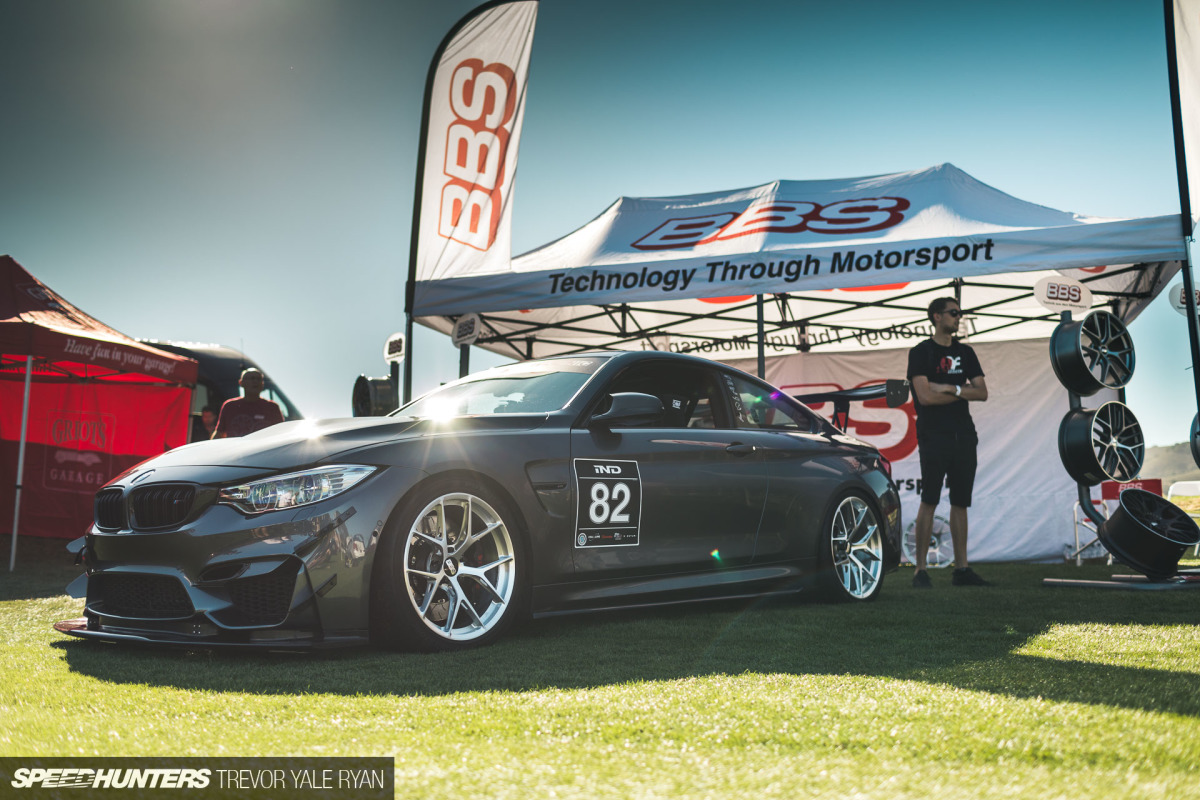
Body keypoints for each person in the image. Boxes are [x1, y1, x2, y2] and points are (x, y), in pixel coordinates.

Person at [907, 297, 990, 588]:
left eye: (959, 313)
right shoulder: (921, 352)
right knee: (929, 499)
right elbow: (925, 397)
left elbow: (982, 393)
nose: (958, 318)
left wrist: (950, 387)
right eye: (954, 313)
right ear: (937, 316)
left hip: (964, 435)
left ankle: (962, 569)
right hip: (933, 435)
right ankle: (920, 570)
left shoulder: (965, 352)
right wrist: (961, 390)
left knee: (960, 502)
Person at [212, 368, 284, 438]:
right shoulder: (229, 406)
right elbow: (219, 434)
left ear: (263, 384)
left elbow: (282, 434)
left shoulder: (272, 408)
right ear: (241, 383)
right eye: (252, 378)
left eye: (259, 379)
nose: (255, 381)